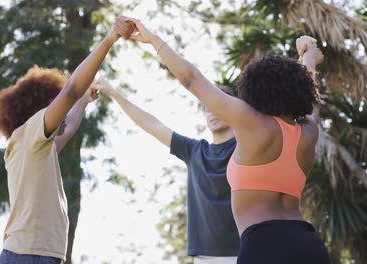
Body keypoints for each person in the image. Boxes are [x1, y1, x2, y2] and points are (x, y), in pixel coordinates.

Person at [124, 16, 330, 264]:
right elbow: (305, 94)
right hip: (308, 245)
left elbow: (192, 79)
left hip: (263, 246)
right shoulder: (308, 131)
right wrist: (307, 57)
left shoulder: (252, 124)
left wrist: (153, 40)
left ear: (254, 92)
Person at [0, 17, 133, 264]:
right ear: (41, 108)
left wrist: (84, 101)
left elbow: (69, 127)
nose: (63, 113)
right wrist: (110, 39)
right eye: (58, 107)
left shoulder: (33, 148)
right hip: (28, 256)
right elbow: (70, 91)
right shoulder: (30, 133)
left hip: (36, 255)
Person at [92, 78, 240, 263]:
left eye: (217, 106)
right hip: (203, 257)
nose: (212, 112)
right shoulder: (194, 151)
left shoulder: (247, 149)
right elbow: (150, 124)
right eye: (207, 108)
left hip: (243, 253)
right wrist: (113, 92)